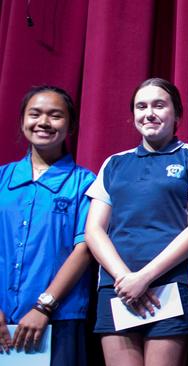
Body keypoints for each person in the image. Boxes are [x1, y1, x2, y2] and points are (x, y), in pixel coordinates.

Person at [84, 78, 188, 366]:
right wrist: (125, 278)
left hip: (171, 285)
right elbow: (94, 229)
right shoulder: (114, 163)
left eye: (159, 105)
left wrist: (145, 277)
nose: (149, 113)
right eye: (141, 106)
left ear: (177, 114)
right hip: (117, 287)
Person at [0, 86, 95, 365]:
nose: (43, 122)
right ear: (22, 121)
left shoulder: (85, 183)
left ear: (71, 125)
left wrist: (44, 306)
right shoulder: (3, 178)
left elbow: (84, 250)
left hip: (60, 319)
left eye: (55, 116)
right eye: (35, 114)